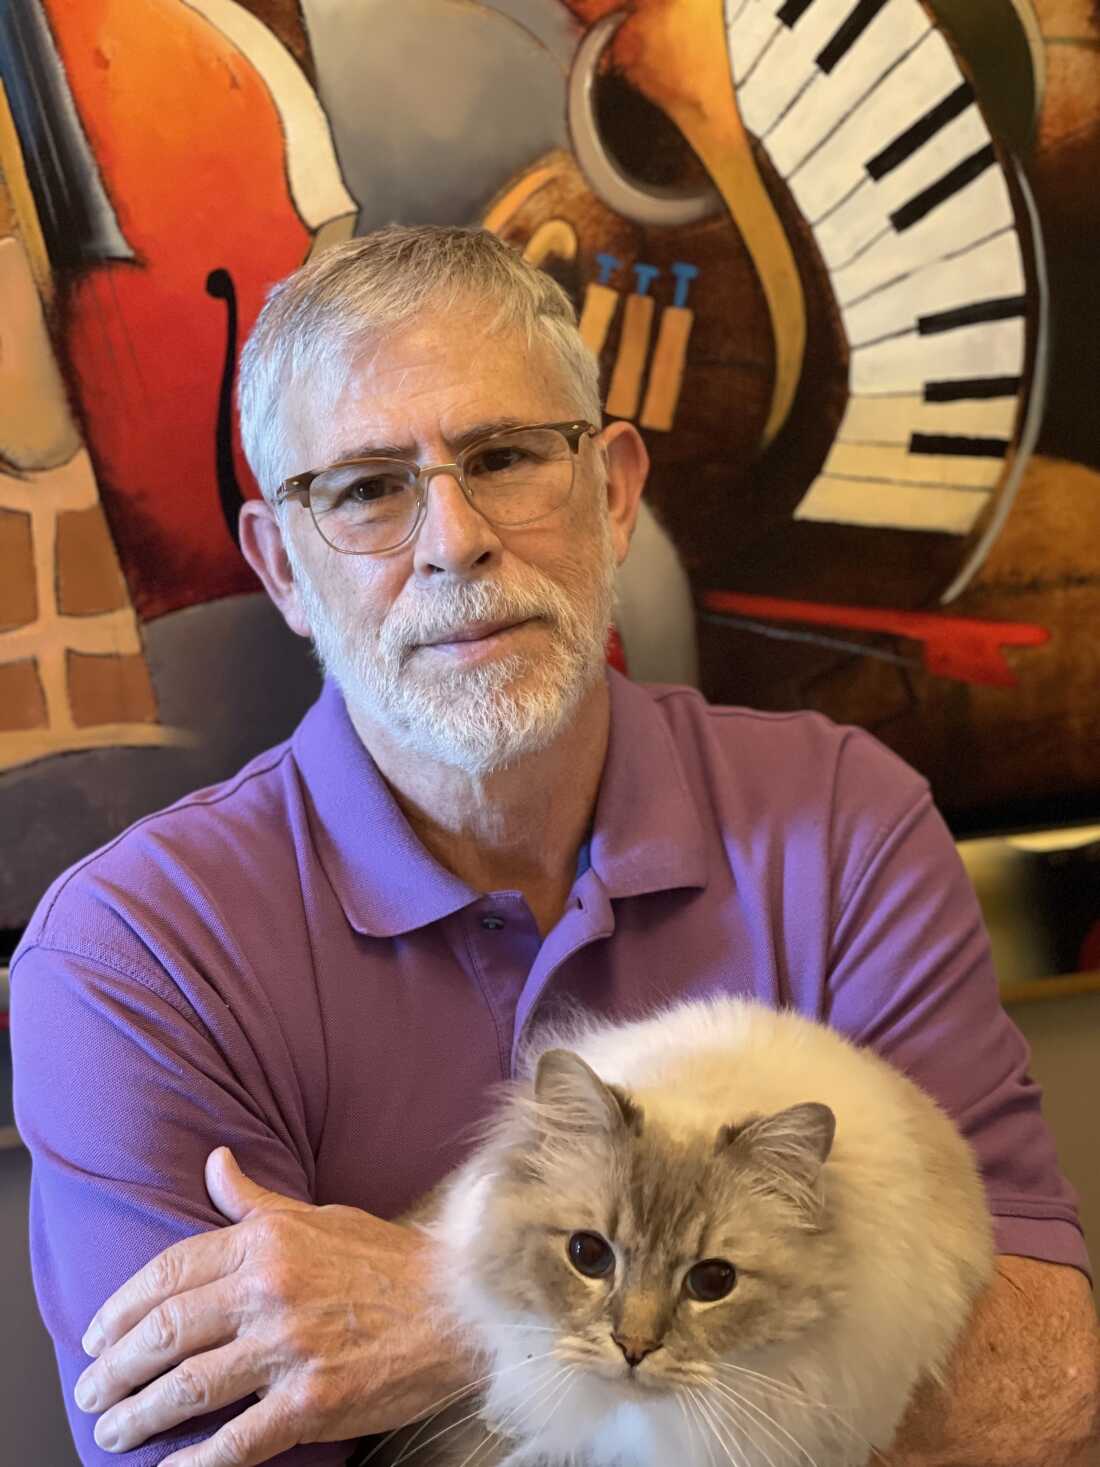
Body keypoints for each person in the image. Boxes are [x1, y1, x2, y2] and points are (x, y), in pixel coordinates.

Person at [10, 226, 1098, 1467]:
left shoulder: (845, 821)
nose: (453, 538)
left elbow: (1041, 1380)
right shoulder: (132, 953)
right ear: (282, 570)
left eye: (505, 456)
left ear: (614, 491)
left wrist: (460, 1312)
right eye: (367, 488)